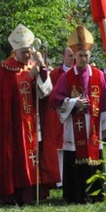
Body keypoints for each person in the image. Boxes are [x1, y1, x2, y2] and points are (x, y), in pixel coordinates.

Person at [0, 24, 52, 205]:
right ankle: (14, 193)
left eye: (29, 52)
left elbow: (44, 92)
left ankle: (33, 191)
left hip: (32, 120)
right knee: (16, 156)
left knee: (33, 155)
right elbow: (8, 93)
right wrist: (30, 75)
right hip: (14, 122)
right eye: (23, 52)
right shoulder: (7, 68)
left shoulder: (33, 65)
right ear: (15, 52)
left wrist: (40, 71)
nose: (27, 56)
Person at [51, 26, 106, 203]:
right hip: (74, 122)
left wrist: (105, 125)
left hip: (93, 122)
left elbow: (105, 100)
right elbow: (56, 99)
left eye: (86, 55)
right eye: (80, 56)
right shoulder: (67, 77)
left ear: (90, 56)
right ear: (74, 56)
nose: (83, 59)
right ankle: (75, 194)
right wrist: (73, 103)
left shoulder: (99, 75)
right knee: (74, 157)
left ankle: (96, 193)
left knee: (95, 156)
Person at [46, 47, 75, 186]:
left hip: (75, 115)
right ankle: (59, 180)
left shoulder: (78, 72)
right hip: (58, 115)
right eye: (70, 55)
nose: (72, 58)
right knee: (59, 147)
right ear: (63, 56)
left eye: (74, 55)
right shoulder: (55, 74)